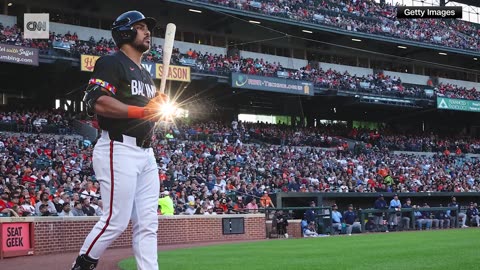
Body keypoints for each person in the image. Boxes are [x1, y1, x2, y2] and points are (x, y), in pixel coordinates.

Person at [72, 10, 169, 270]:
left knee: (148, 223)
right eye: (140, 27)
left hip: (146, 153)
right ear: (125, 32)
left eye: (148, 28)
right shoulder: (111, 62)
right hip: (118, 147)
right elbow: (97, 101)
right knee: (116, 219)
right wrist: (143, 110)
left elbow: (147, 117)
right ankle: (82, 265)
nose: (148, 32)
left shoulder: (146, 74)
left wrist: (156, 107)